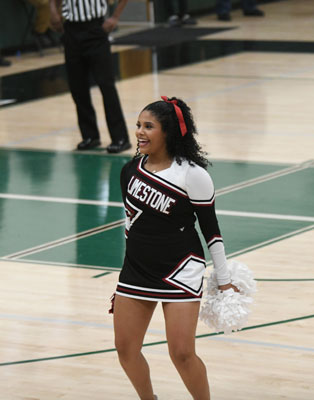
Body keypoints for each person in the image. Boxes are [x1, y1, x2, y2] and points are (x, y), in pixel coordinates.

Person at [112, 96, 238, 400]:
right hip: (137, 270)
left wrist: (224, 280)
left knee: (181, 353)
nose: (140, 132)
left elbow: (211, 231)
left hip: (180, 270)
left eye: (148, 126)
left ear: (168, 132)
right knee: (126, 349)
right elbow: (131, 224)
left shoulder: (193, 175)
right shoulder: (129, 171)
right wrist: (126, 272)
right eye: (138, 125)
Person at [49, 0, 132, 153]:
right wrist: (53, 11)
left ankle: (120, 138)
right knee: (77, 87)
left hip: (95, 29)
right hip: (71, 30)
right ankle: (90, 136)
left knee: (106, 85)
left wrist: (115, 17)